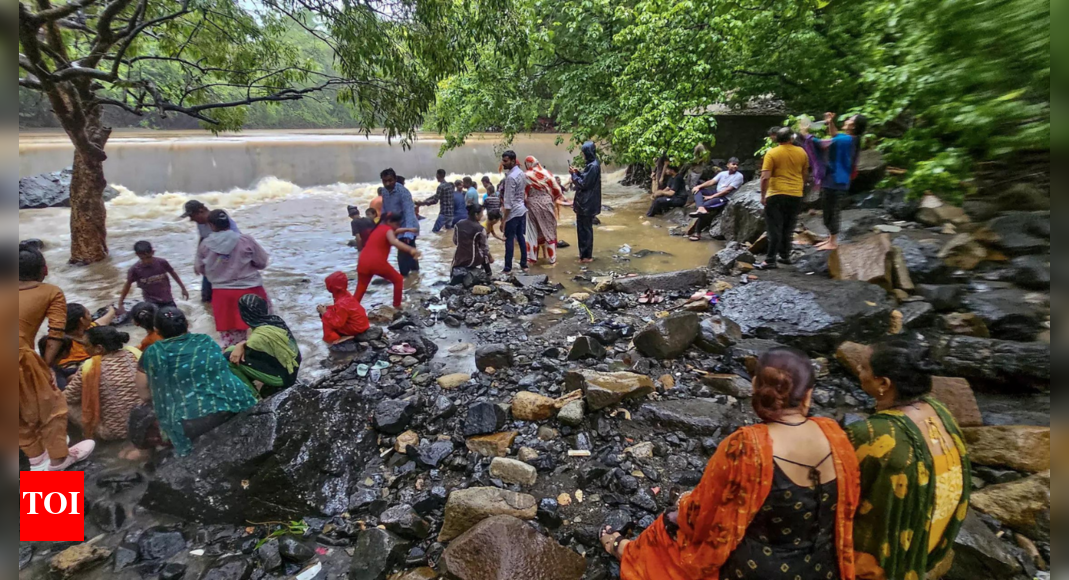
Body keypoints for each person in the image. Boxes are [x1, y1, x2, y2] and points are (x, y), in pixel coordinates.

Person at [603, 347, 860, 580]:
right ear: (808, 396)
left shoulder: (746, 447)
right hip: (825, 566)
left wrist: (682, 503)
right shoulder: (835, 436)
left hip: (753, 569)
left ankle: (624, 549)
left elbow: (702, 518)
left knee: (667, 526)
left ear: (755, 386)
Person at [849, 339, 971, 580]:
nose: (858, 371)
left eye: (864, 368)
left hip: (888, 560)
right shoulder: (939, 410)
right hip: (931, 545)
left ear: (883, 383)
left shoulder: (874, 434)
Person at [136, 307, 258, 456]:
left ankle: (145, 454)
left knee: (138, 414)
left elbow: (144, 394)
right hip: (229, 407)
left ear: (156, 329)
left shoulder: (152, 352)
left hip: (190, 423)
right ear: (187, 324)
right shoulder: (205, 341)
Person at [19, 244, 97, 471]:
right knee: (52, 407)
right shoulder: (51, 292)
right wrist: (45, 368)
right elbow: (55, 335)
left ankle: (37, 460)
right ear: (44, 269)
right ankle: (59, 459)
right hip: (18, 356)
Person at [195, 209, 270, 347]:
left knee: (231, 341)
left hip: (223, 294)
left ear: (211, 225)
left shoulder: (205, 245)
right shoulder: (246, 240)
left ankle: (236, 365)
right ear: (228, 222)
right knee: (265, 330)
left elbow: (200, 269)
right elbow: (262, 262)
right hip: (252, 290)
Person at [65, 327, 142, 442]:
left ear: (99, 348)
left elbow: (67, 397)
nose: (84, 349)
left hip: (116, 432)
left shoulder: (90, 366)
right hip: (146, 424)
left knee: (63, 404)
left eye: (86, 345)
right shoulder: (134, 353)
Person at [226, 295, 302, 398]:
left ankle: (253, 397)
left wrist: (240, 346)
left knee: (228, 358)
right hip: (291, 369)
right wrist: (241, 344)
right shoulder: (275, 321)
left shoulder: (258, 337)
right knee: (233, 350)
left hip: (283, 378)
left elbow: (245, 356)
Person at [757, 127, 810, 270]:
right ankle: (785, 256)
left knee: (774, 227)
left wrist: (763, 196)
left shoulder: (772, 153)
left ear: (776, 139)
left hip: (776, 193)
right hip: (795, 194)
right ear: (791, 138)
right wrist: (800, 187)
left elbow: (765, 177)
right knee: (789, 226)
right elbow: (805, 174)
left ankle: (770, 260)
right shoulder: (802, 152)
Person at [815, 112, 868, 252]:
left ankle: (833, 241)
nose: (847, 119)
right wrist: (830, 122)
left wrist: (805, 136)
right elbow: (835, 135)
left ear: (854, 126)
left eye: (850, 119)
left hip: (837, 179)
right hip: (835, 178)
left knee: (832, 210)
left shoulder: (846, 140)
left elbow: (823, 144)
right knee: (828, 209)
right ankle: (830, 238)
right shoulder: (849, 138)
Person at [355, 213, 421, 309]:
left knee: (361, 288)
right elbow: (394, 241)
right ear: (389, 222)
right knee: (398, 280)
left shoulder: (379, 228)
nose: (397, 227)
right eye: (397, 224)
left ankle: (350, 310)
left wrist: (408, 229)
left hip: (363, 261)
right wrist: (411, 250)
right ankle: (397, 305)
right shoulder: (388, 230)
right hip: (376, 262)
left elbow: (395, 231)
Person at [182, 200, 240, 303]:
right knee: (206, 298)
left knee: (227, 296)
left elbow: (235, 240)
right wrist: (198, 259)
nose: (191, 219)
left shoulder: (219, 219)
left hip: (226, 263)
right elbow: (203, 238)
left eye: (192, 216)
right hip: (211, 264)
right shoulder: (200, 224)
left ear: (201, 211)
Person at [117, 241, 189, 314]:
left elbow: (173, 274)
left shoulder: (162, 263)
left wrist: (183, 288)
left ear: (153, 252)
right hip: (151, 302)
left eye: (149, 257)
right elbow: (127, 285)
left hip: (167, 299)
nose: (147, 261)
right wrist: (120, 303)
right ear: (137, 255)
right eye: (143, 258)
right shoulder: (135, 270)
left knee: (175, 317)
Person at [523, 156, 568, 265]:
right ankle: (552, 259)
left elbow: (523, 194)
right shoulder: (547, 173)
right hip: (547, 204)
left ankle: (532, 259)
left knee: (532, 232)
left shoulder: (525, 175)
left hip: (532, 205)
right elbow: (556, 189)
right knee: (549, 231)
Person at [689, 158, 746, 241]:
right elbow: (711, 182)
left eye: (737, 164)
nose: (735, 166)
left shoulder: (739, 176)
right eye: (733, 164)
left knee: (705, 207)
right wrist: (698, 186)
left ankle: (697, 233)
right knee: (697, 190)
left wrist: (712, 197)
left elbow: (727, 190)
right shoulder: (723, 173)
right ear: (728, 165)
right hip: (716, 191)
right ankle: (700, 208)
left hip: (725, 197)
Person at [379, 168, 421, 276]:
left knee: (402, 255)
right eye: (385, 181)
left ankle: (404, 279)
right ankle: (415, 278)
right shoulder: (384, 191)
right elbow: (384, 210)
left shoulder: (403, 192)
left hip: (407, 226)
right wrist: (381, 228)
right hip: (395, 226)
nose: (388, 183)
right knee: (411, 252)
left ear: (395, 179)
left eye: (390, 180)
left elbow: (409, 212)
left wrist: (408, 234)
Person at [570, 141, 602, 264]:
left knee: (584, 230)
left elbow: (583, 184)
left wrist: (574, 176)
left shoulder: (593, 166)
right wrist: (578, 173)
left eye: (583, 153)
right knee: (584, 229)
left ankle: (586, 256)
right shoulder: (592, 165)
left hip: (586, 203)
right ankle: (584, 255)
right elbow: (585, 178)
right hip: (587, 202)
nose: (583, 155)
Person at [60, 303, 117, 370]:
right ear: (82, 320)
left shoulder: (58, 340)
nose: (91, 317)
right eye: (88, 314)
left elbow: (106, 318)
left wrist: (111, 308)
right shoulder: (65, 344)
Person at [319, 271, 371, 345]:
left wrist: (324, 313)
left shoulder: (341, 303)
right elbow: (342, 311)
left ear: (332, 287)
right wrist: (328, 309)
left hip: (356, 328)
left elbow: (337, 323)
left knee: (326, 320)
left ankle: (332, 339)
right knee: (329, 311)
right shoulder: (345, 294)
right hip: (362, 324)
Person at [501, 150, 530, 273]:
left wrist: (503, 220)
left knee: (509, 238)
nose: (503, 163)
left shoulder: (510, 178)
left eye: (506, 161)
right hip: (521, 209)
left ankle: (508, 267)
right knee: (520, 237)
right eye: (503, 160)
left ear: (513, 161)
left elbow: (508, 202)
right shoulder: (521, 173)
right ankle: (524, 264)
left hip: (513, 212)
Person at [453, 204, 494, 275]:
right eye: (481, 213)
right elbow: (485, 248)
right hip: (472, 260)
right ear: (476, 214)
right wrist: (490, 257)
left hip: (458, 259)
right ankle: (489, 274)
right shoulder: (480, 228)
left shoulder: (458, 224)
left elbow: (455, 241)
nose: (482, 215)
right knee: (485, 255)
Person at [417, 169, 456, 233]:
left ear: (438, 175)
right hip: (451, 214)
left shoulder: (440, 187)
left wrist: (422, 203)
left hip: (444, 214)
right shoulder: (450, 185)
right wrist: (426, 200)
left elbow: (435, 201)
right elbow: (437, 195)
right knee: (448, 231)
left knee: (434, 231)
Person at [482, 177, 505, 241]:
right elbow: (500, 206)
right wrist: (502, 222)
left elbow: (483, 208)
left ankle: (483, 244)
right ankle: (504, 237)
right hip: (498, 216)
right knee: (489, 231)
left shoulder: (487, 199)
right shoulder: (498, 198)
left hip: (490, 216)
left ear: (488, 191)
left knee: (487, 232)